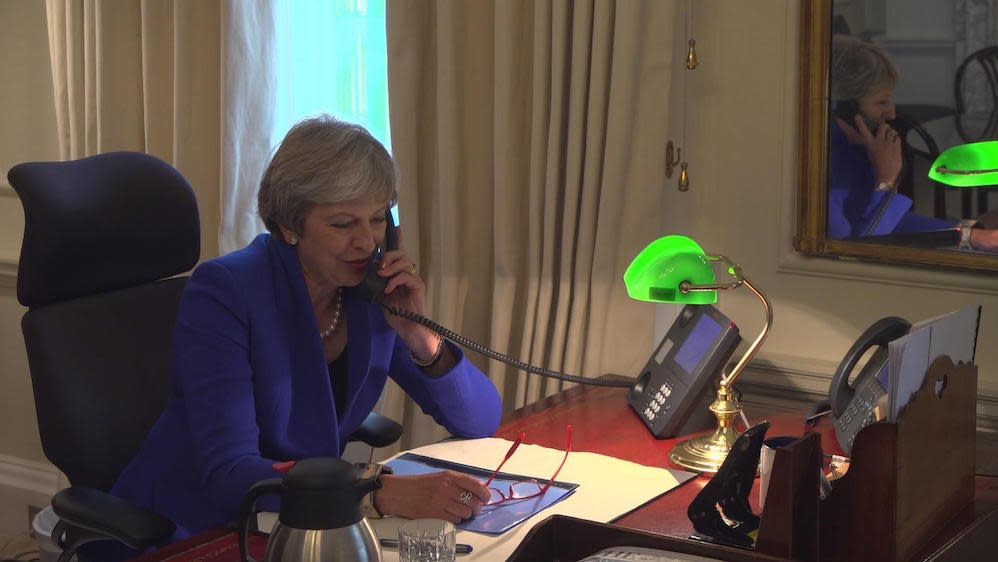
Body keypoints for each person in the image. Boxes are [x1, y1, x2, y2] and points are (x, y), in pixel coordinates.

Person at [109, 115, 503, 547]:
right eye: (342, 224)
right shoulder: (226, 291)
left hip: (306, 523)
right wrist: (376, 491)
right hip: (197, 527)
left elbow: (480, 419)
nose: (367, 242)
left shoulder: (370, 293)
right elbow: (229, 472)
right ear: (289, 225)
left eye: (376, 219)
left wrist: (421, 338)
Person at [828, 34, 998, 251]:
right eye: (881, 102)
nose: (891, 114)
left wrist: (972, 233)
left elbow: (894, 223)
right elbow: (857, 250)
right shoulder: (825, 166)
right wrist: (887, 180)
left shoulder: (862, 148)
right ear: (845, 108)